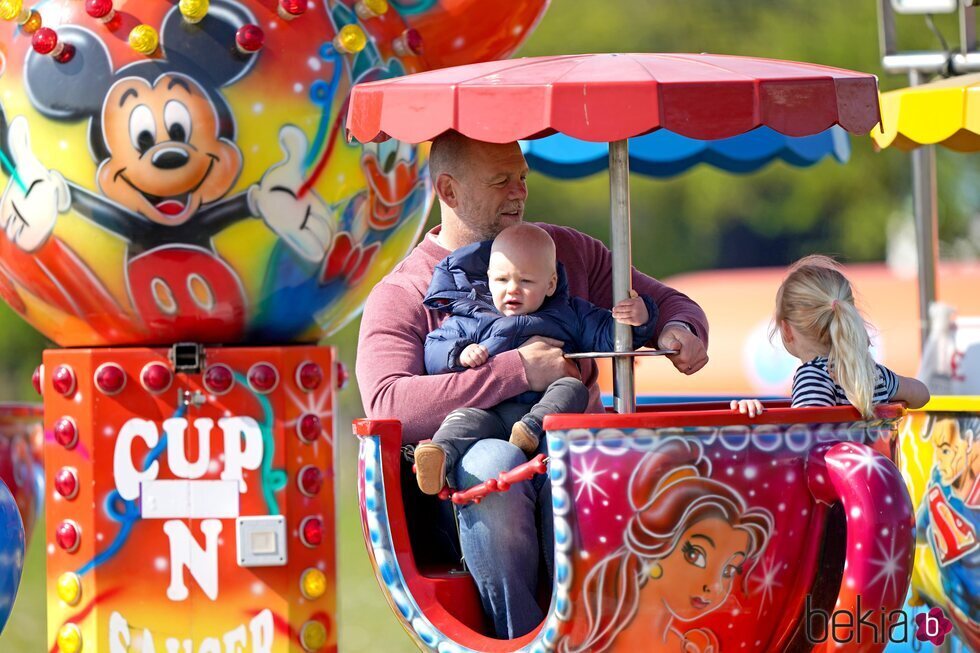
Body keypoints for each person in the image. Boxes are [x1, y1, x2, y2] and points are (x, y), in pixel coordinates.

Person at [356, 130, 709, 639]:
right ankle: (519, 638)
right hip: (463, 498)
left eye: (521, 177)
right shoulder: (404, 292)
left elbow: (666, 302)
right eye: (501, 182)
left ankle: (613, 629)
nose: (519, 193)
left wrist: (681, 329)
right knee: (493, 464)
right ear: (449, 192)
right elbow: (388, 403)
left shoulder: (566, 251)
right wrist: (517, 371)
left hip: (579, 460)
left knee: (599, 462)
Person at [414, 223, 659, 494]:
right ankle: (440, 454)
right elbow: (434, 347)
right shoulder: (472, 317)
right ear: (488, 279)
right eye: (502, 280)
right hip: (489, 411)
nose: (512, 290)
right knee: (463, 418)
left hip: (543, 411)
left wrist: (639, 319)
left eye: (526, 281)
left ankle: (529, 430)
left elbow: (608, 335)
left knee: (572, 387)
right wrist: (459, 353)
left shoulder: (569, 314)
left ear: (550, 283)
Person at [561, 438, 772, 653]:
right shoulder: (613, 639)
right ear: (656, 546)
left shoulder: (681, 644)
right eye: (695, 555)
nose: (715, 586)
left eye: (729, 570)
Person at [731, 255, 930, 419]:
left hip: (828, 468)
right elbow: (922, 394)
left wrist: (756, 419)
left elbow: (802, 440)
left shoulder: (812, 377)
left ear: (787, 330)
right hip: (878, 463)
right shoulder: (872, 373)